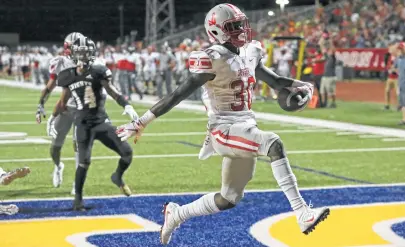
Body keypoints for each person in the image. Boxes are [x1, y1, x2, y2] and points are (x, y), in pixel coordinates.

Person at [117, 4, 329, 245]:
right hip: (223, 130)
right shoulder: (212, 58)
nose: (241, 30)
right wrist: (142, 121)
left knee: (228, 198)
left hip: (245, 128)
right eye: (233, 26)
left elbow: (276, 81)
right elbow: (177, 95)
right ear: (216, 31)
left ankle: (176, 214)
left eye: (241, 24)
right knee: (273, 143)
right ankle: (302, 212)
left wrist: (302, 86)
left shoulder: (249, 52)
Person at [51, 36, 138, 211]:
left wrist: (126, 104)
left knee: (127, 153)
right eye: (80, 52)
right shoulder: (66, 76)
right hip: (83, 124)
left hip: (101, 121)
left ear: (92, 53)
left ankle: (117, 177)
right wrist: (53, 119)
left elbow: (112, 91)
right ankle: (78, 200)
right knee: (84, 163)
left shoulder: (99, 71)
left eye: (86, 52)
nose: (83, 56)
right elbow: (63, 101)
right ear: (73, 54)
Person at [36, 32, 84, 193]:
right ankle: (58, 166)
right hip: (65, 109)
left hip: (82, 110)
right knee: (55, 147)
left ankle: (77, 184)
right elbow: (50, 87)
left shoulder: (90, 62)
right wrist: (40, 105)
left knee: (78, 144)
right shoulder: (61, 62)